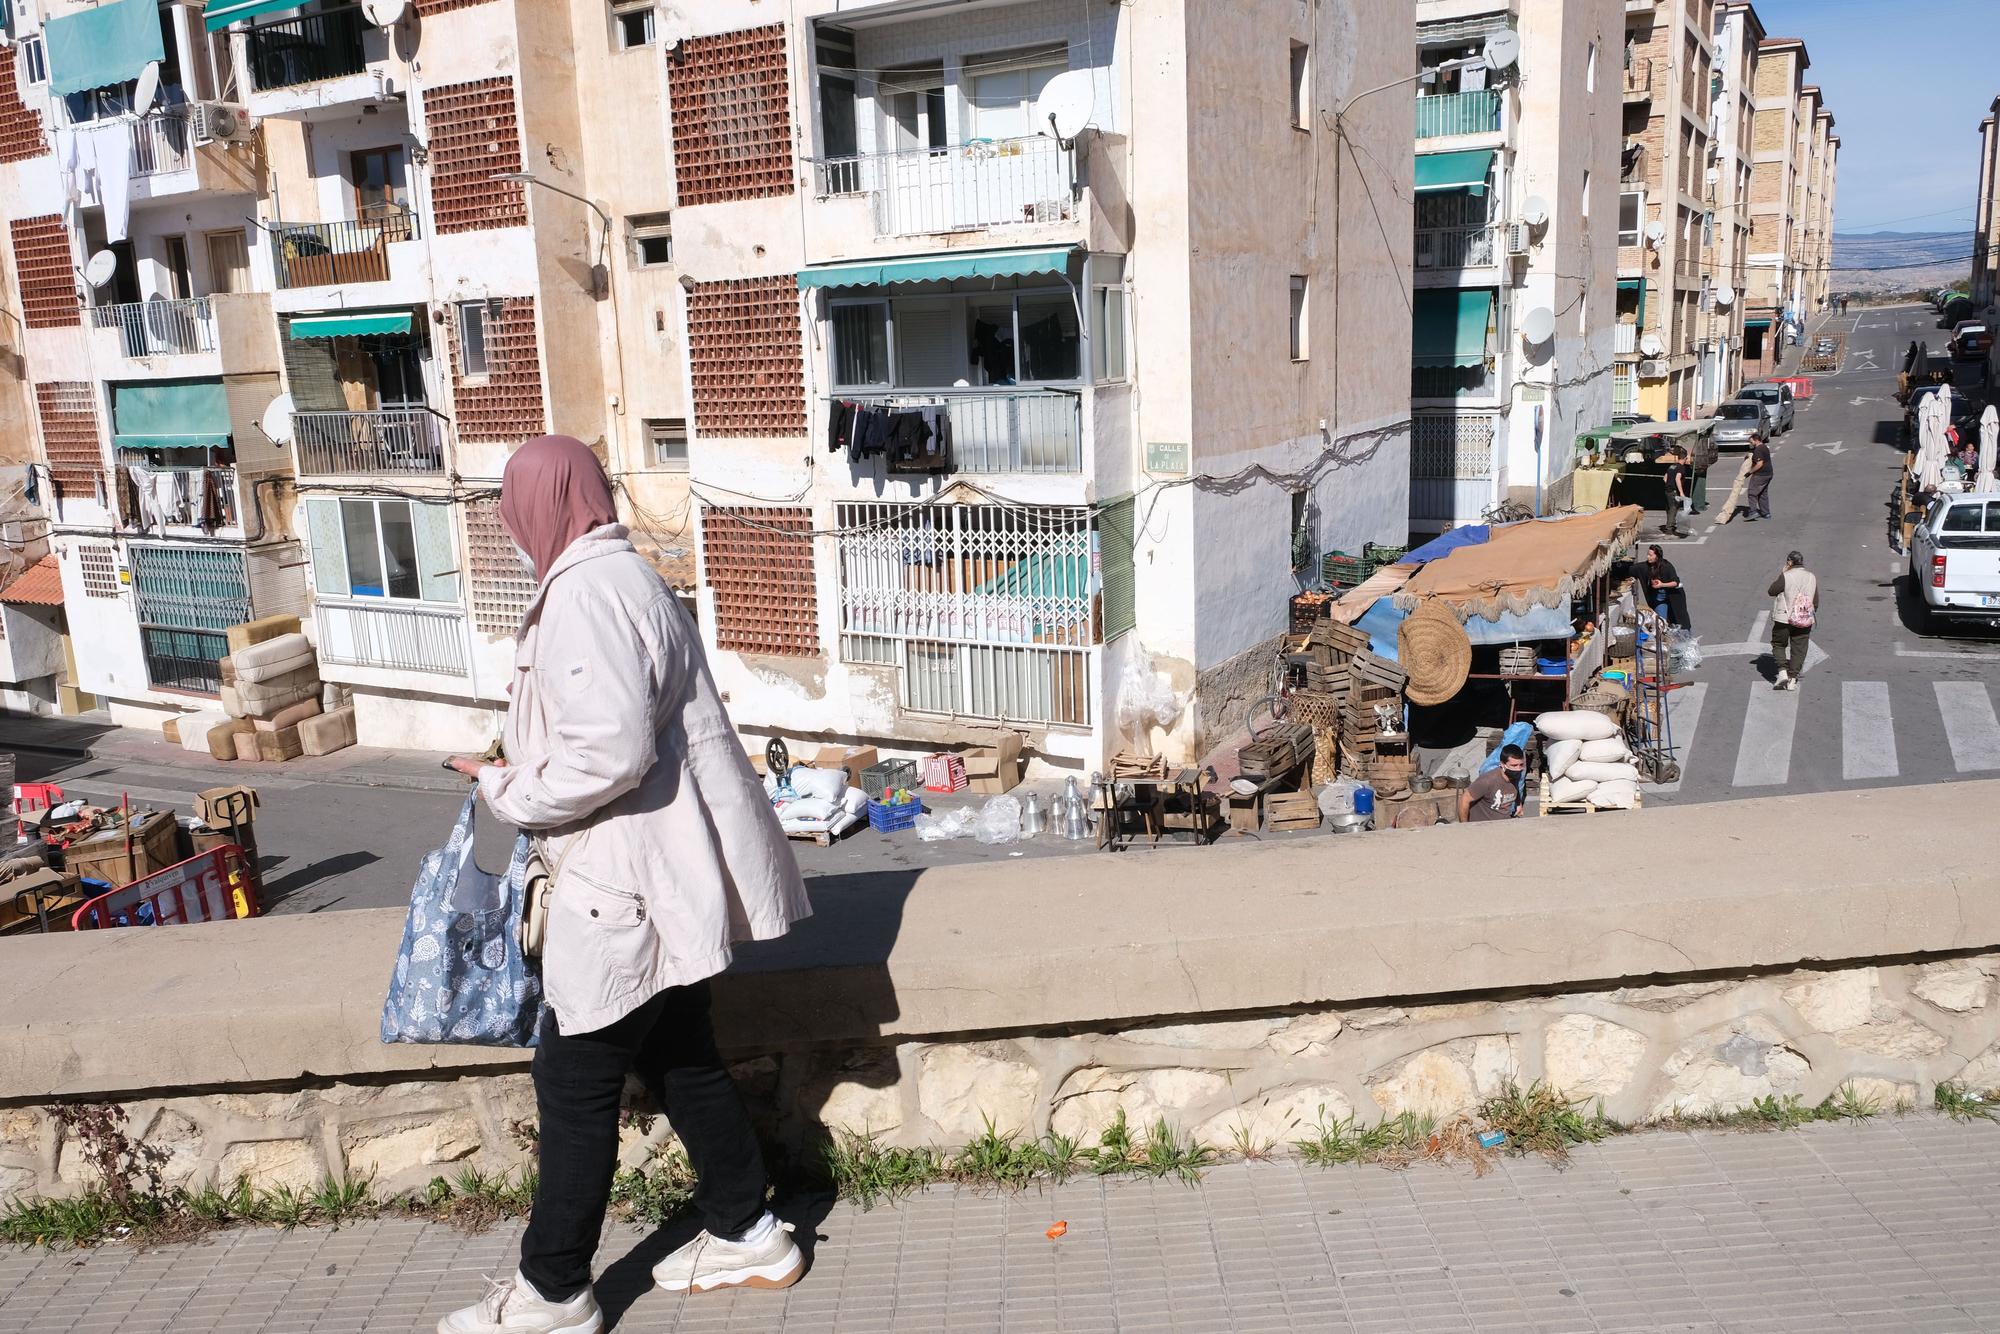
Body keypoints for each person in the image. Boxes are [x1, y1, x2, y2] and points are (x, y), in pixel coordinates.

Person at [440, 436, 813, 1334]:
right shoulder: (628, 575)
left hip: (618, 883)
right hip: (658, 875)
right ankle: (748, 1229)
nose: (508, 519)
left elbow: (608, 750)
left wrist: (505, 787)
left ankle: (557, 1288)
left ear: (542, 504)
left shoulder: (582, 595)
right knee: (680, 1050)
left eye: (514, 503)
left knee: (573, 1084)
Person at [1767, 549, 1818, 691]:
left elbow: (1772, 590)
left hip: (1784, 619)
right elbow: (1816, 600)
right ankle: (1793, 679)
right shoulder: (1811, 577)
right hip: (1804, 618)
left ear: (1789, 562)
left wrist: (1783, 573)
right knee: (1799, 648)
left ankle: (1782, 671)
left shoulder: (1786, 576)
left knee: (1778, 643)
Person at [1459, 744, 1526, 822]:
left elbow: (1515, 788)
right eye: (1514, 765)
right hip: (1482, 827)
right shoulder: (1487, 781)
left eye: (1521, 765)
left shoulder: (1515, 776)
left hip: (1503, 825)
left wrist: (1518, 804)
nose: (1518, 769)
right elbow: (1464, 800)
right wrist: (1464, 826)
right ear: (1502, 764)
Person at [1644, 543, 1691, 631]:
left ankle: (1687, 640)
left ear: (1657, 556)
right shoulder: (1647, 566)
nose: (1648, 557)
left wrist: (1662, 584)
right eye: (1647, 554)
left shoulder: (1666, 566)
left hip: (1674, 596)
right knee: (1661, 622)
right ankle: (1662, 641)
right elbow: (1635, 569)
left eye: (1650, 555)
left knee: (1680, 621)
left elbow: (1675, 583)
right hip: (1660, 598)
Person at [1742, 432, 1773, 522]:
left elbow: (1759, 464)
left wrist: (1750, 472)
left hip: (1760, 475)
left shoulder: (1758, 450)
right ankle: (1766, 513)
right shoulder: (1764, 447)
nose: (1751, 444)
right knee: (1763, 493)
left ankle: (1753, 512)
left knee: (1752, 493)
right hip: (1768, 474)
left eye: (1751, 442)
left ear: (1756, 440)